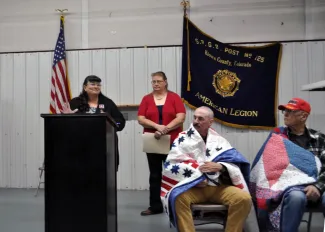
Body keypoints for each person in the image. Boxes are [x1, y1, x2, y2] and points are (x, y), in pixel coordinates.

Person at [161, 106, 254, 232]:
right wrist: (195, 177)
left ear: (210, 122)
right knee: (177, 198)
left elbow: (235, 163)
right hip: (193, 188)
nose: (196, 121)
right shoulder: (182, 139)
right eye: (194, 117)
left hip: (218, 188)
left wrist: (221, 167)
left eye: (201, 119)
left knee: (243, 199)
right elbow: (171, 164)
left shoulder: (219, 141)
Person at [250, 97, 325, 232]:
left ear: (303, 116)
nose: (285, 114)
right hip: (287, 187)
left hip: (316, 184)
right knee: (296, 197)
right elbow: (267, 166)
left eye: (290, 111)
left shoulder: (319, 138)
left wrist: (317, 187)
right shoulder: (278, 136)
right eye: (285, 111)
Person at [137, 71, 186, 216]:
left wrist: (165, 129)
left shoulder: (174, 97)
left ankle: (177, 205)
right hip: (153, 140)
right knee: (154, 174)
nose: (156, 84)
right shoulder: (146, 99)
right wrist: (157, 127)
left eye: (158, 81)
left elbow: (181, 117)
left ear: (165, 82)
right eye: (153, 81)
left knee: (174, 172)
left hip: (173, 140)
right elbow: (141, 118)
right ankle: (155, 206)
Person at [61, 75, 126, 170]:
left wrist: (110, 121)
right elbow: (65, 125)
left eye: (98, 85)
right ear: (85, 87)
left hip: (104, 146)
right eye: (92, 84)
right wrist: (67, 117)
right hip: (81, 146)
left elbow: (120, 122)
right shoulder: (75, 102)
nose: (96, 87)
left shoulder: (108, 103)